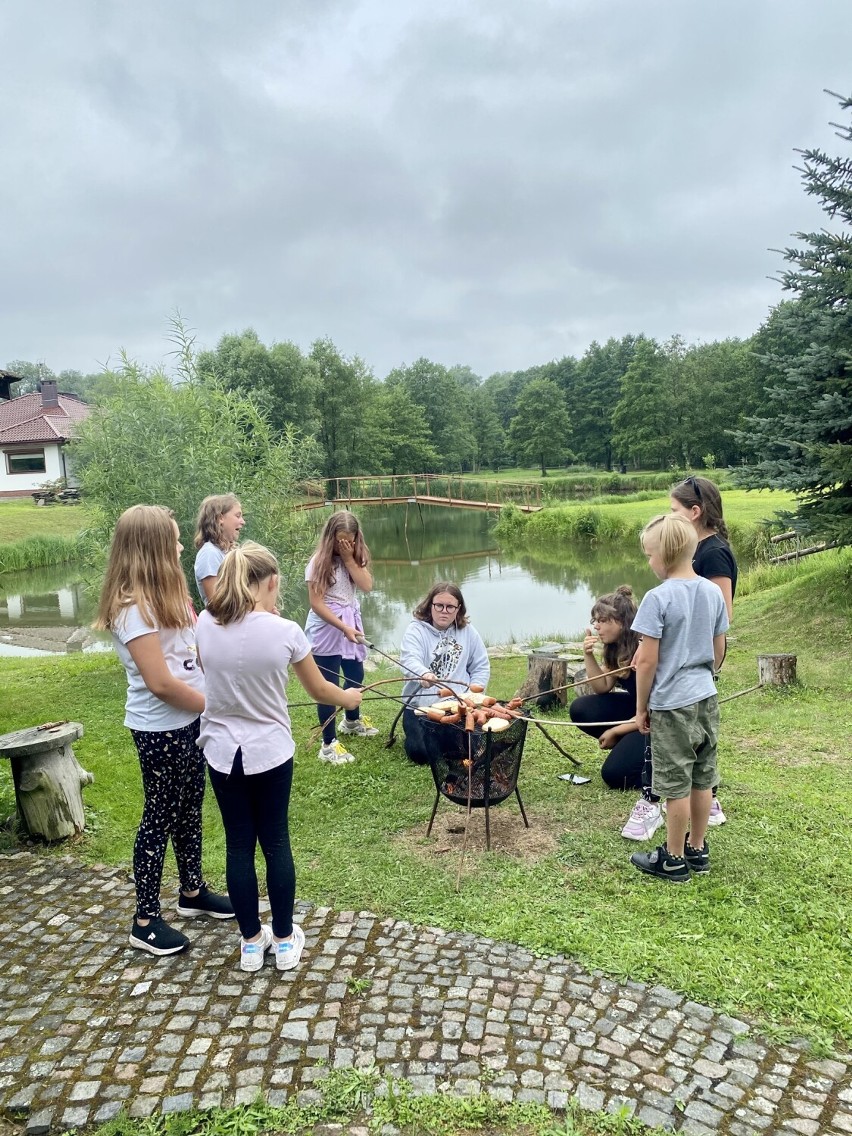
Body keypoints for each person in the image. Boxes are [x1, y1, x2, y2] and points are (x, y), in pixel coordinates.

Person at [196, 542, 362, 973]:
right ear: (269, 582)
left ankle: (252, 942)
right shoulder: (285, 631)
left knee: (238, 844)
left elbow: (208, 670)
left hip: (220, 750)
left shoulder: (204, 622)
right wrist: (350, 696)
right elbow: (320, 690)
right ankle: (284, 940)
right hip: (269, 751)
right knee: (274, 841)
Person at [94, 504, 233, 956]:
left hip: (189, 722)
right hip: (161, 729)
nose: (178, 546)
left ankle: (192, 891)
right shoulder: (132, 609)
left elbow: (190, 655)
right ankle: (145, 918)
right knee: (160, 814)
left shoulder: (162, 597)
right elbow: (160, 683)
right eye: (171, 540)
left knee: (189, 806)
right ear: (151, 547)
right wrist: (217, 706)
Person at [629, 514, 728, 883]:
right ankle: (697, 848)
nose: (649, 562)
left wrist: (641, 708)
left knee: (675, 783)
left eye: (650, 555)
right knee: (703, 776)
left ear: (666, 555)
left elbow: (648, 660)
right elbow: (718, 647)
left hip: (672, 704)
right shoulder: (712, 592)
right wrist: (706, 674)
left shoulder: (657, 598)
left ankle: (671, 858)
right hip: (706, 696)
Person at [568, 587, 665, 836]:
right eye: (595, 621)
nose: (597, 627)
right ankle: (632, 746)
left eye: (603, 621)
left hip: (659, 721)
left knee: (614, 775)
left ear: (622, 622)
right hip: (638, 711)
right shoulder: (613, 647)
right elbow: (602, 687)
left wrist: (617, 730)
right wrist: (588, 655)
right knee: (581, 708)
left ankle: (660, 767)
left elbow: (659, 709)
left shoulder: (645, 648)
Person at [304, 510, 377, 765]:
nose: (344, 545)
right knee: (329, 684)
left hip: (350, 621)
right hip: (326, 626)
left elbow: (367, 586)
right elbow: (316, 603)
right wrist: (341, 626)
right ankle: (328, 743)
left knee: (356, 674)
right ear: (330, 537)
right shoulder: (317, 563)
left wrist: (349, 559)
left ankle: (352, 720)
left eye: (350, 540)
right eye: (340, 541)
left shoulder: (355, 558)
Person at [398, 582, 490, 765]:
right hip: (420, 708)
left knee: (470, 748)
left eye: (450, 607)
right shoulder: (416, 630)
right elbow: (409, 660)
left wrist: (472, 698)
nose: (444, 611)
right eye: (439, 605)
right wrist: (422, 673)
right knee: (421, 753)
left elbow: (481, 667)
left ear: (458, 609)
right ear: (430, 605)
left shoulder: (468, 632)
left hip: (458, 705)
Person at [193, 493, 246, 606]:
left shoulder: (227, 552)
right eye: (238, 516)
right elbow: (217, 603)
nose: (243, 521)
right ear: (220, 518)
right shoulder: (209, 554)